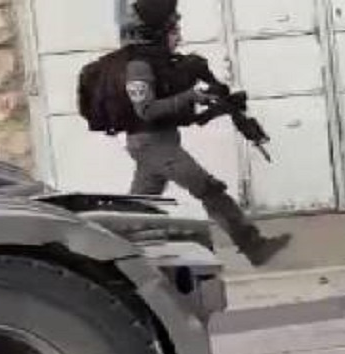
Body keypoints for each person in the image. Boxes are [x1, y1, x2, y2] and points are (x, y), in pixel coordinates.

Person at [116, 0, 292, 266]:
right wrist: (190, 96)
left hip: (158, 142)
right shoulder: (138, 67)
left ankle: (117, 255)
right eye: (174, 32)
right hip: (152, 145)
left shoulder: (163, 63)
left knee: (139, 207)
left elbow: (178, 110)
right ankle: (253, 246)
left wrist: (216, 105)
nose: (179, 37)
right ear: (157, 34)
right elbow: (146, 111)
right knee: (208, 189)